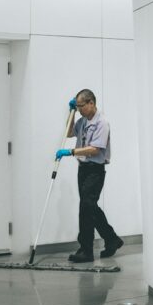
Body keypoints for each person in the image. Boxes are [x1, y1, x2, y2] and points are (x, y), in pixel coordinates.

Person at [55, 89, 124, 263]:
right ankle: (111, 239)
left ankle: (87, 249)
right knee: (88, 207)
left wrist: (70, 151)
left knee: (87, 205)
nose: (79, 110)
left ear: (91, 103)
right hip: (83, 168)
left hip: (95, 169)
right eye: (76, 107)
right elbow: (70, 132)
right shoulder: (82, 120)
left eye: (80, 106)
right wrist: (70, 113)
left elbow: (95, 149)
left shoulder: (102, 123)